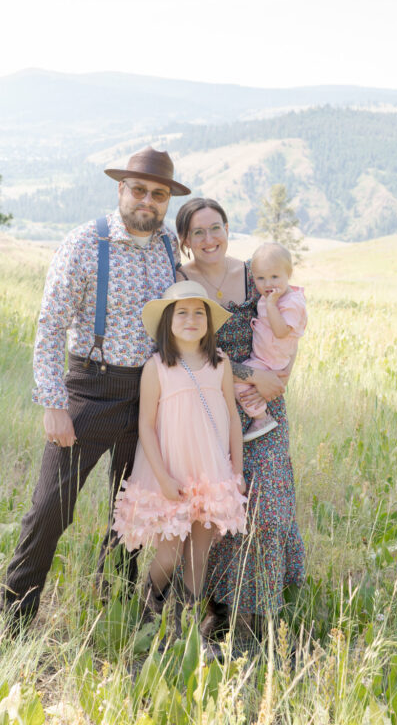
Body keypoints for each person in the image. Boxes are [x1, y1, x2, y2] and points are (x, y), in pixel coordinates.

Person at [0, 147, 190, 631]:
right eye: (139, 190)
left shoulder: (169, 245)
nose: (147, 200)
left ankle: (116, 615)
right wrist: (53, 403)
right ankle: (13, 622)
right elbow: (50, 324)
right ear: (121, 189)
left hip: (149, 396)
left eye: (158, 194)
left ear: (167, 200)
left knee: (130, 515)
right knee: (49, 511)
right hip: (89, 388)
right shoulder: (85, 243)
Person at [175, 198, 305, 636]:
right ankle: (220, 609)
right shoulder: (180, 282)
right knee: (220, 508)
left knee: (266, 508)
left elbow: (290, 321)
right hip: (207, 406)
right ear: (185, 241)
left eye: (216, 228)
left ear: (228, 229)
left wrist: (280, 371)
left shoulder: (255, 272)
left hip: (262, 408)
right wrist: (252, 373)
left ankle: (261, 613)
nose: (209, 239)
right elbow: (187, 352)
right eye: (198, 232)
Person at [113, 281, 246, 622]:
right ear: (168, 322)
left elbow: (232, 417)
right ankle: (148, 607)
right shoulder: (157, 367)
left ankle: (183, 625)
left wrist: (237, 471)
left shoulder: (220, 363)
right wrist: (162, 477)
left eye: (199, 313)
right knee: (170, 555)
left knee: (198, 556)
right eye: (182, 313)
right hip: (170, 473)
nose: (191, 319)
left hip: (211, 473)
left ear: (208, 322)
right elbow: (146, 425)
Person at [236, 242, 308, 442]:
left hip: (271, 361)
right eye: (261, 278)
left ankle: (261, 418)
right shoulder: (271, 296)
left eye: (275, 277)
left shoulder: (291, 302)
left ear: (288, 274)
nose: (268, 284)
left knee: (236, 383)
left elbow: (282, 331)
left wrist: (271, 305)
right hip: (264, 356)